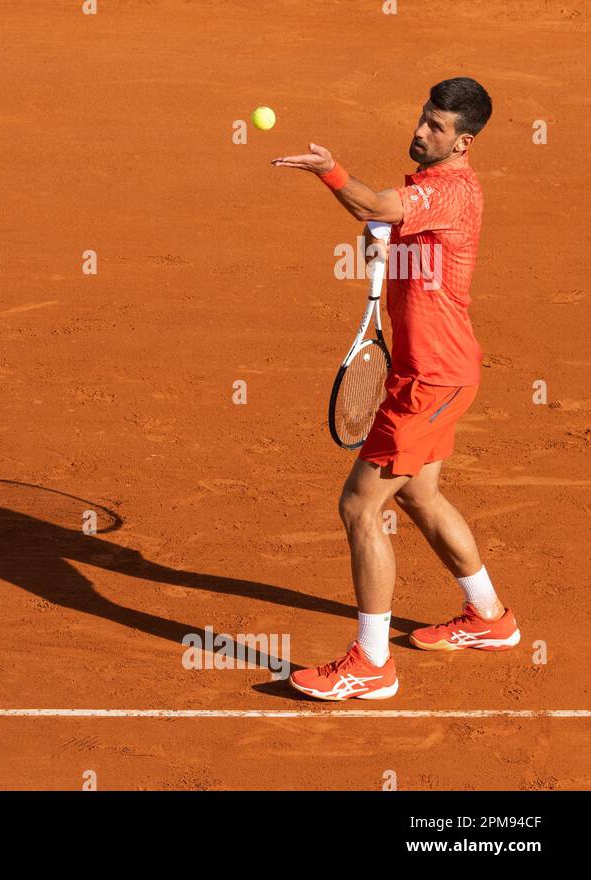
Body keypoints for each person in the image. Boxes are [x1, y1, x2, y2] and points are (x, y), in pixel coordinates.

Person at [271, 77, 520, 700]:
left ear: (463, 142)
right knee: (421, 497)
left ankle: (371, 664)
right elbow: (385, 224)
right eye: (422, 118)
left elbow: (375, 208)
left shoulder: (453, 190)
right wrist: (380, 243)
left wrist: (331, 174)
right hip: (434, 371)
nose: (420, 131)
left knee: (360, 506)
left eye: (436, 127)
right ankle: (489, 617)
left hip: (430, 379)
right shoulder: (426, 189)